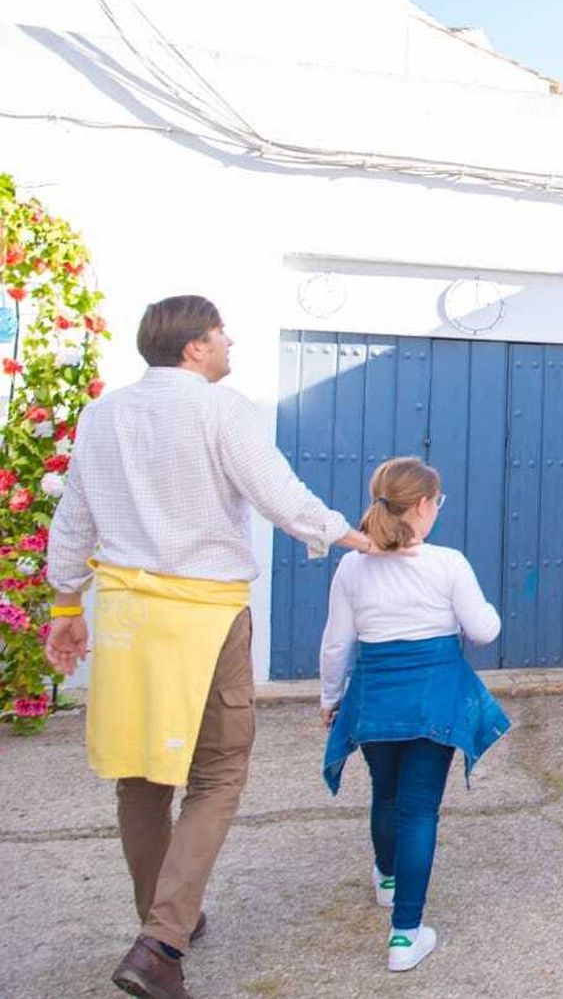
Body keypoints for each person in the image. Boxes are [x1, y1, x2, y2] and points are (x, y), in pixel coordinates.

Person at [44, 294, 374, 999]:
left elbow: (75, 515)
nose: (231, 346)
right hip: (205, 613)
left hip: (129, 616)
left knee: (140, 775)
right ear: (194, 345)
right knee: (219, 773)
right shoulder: (223, 409)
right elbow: (278, 494)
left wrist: (67, 604)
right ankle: (161, 942)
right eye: (223, 335)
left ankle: (164, 922)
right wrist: (351, 535)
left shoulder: (102, 415)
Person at [319, 457, 510, 973]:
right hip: (433, 699)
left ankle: (387, 879)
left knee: (385, 792)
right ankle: (405, 934)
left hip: (376, 694)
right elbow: (484, 630)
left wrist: (329, 699)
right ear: (424, 506)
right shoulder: (448, 563)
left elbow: (337, 643)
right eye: (438, 502)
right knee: (419, 807)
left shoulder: (353, 566)